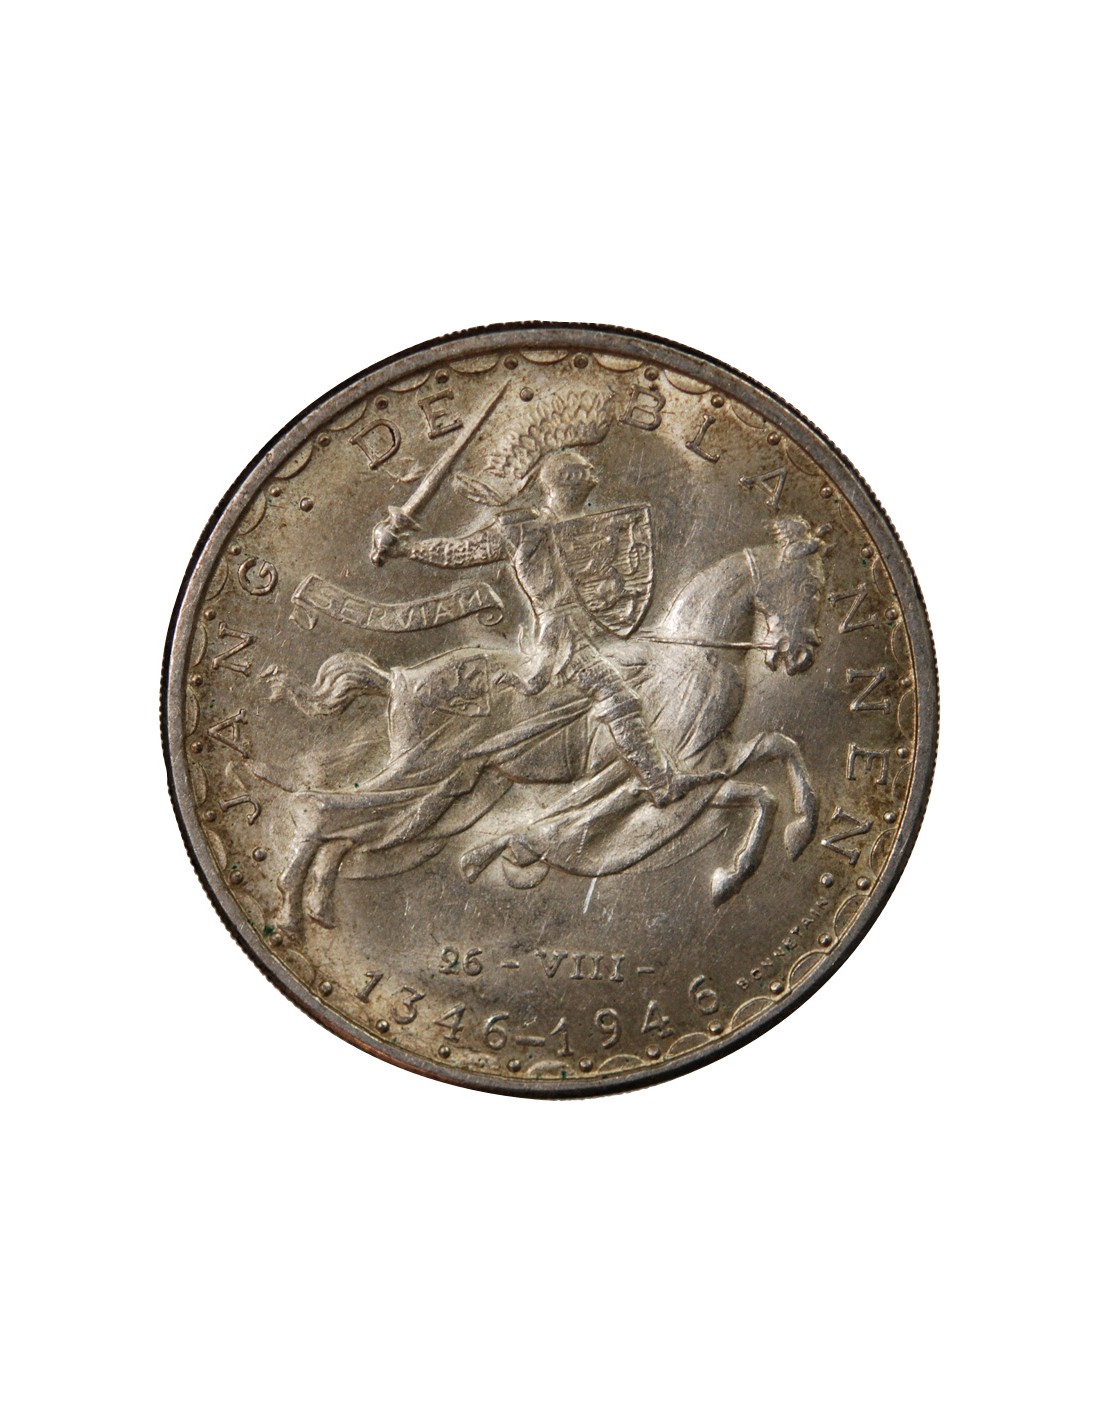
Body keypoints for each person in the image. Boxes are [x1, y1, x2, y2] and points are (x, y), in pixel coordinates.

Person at [389, 447, 717, 807]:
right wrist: (407, 548)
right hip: (562, 636)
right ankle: (661, 783)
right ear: (568, 480)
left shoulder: (591, 525)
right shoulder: (519, 528)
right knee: (619, 696)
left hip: (590, 630)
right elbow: (462, 552)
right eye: (585, 469)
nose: (593, 473)